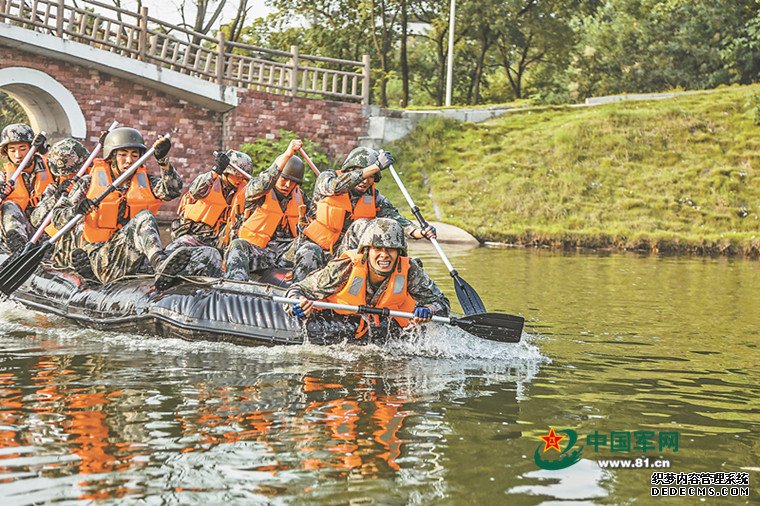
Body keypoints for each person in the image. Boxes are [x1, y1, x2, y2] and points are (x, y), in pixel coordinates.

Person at [52, 127, 189, 288]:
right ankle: (160, 264)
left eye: (134, 155)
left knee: (204, 253)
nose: (129, 160)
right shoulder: (87, 183)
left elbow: (172, 191)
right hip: (104, 261)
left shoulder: (148, 182)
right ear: (111, 157)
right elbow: (57, 218)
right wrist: (77, 210)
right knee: (144, 217)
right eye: (123, 155)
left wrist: (163, 161)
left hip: (137, 259)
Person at [285, 218, 450, 340]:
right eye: (377, 248)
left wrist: (429, 310)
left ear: (399, 253)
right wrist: (296, 305)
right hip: (338, 319)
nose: (384, 255)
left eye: (391, 249)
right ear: (367, 250)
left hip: (382, 325)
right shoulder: (346, 267)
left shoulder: (410, 270)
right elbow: (298, 290)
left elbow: (441, 302)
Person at [292, 146, 436, 282]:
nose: (366, 180)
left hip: (346, 253)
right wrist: (375, 167)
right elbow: (334, 186)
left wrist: (419, 232)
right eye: (364, 173)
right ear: (349, 170)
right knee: (308, 251)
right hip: (317, 247)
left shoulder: (373, 197)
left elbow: (394, 218)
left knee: (373, 232)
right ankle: (298, 297)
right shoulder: (328, 178)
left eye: (372, 176)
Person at [223, 139, 311, 281]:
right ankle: (236, 286)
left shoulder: (301, 198)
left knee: (311, 247)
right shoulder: (258, 191)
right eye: (284, 179)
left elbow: (318, 214)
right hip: (259, 252)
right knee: (238, 245)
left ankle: (301, 290)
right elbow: (264, 182)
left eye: (292, 181)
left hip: (285, 254)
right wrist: (287, 154)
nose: (288, 185)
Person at [171, 150, 252, 249]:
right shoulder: (209, 181)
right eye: (237, 176)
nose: (240, 180)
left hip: (216, 243)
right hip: (193, 235)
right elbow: (195, 191)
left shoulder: (242, 191)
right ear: (227, 172)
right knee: (175, 251)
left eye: (243, 177)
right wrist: (215, 171)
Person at [29, 138, 90, 268]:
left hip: (88, 239)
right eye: (63, 176)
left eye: (72, 174)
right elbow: (35, 219)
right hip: (59, 242)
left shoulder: (92, 182)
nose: (68, 178)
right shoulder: (54, 187)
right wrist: (57, 197)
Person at [0, 123, 50, 252]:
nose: (18, 155)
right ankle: (18, 246)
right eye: (12, 150)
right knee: (8, 205)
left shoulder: (51, 166)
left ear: (32, 148)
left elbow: (72, 170)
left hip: (45, 228)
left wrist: (45, 151)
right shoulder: (3, 176)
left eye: (22, 149)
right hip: (19, 231)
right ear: (6, 152)